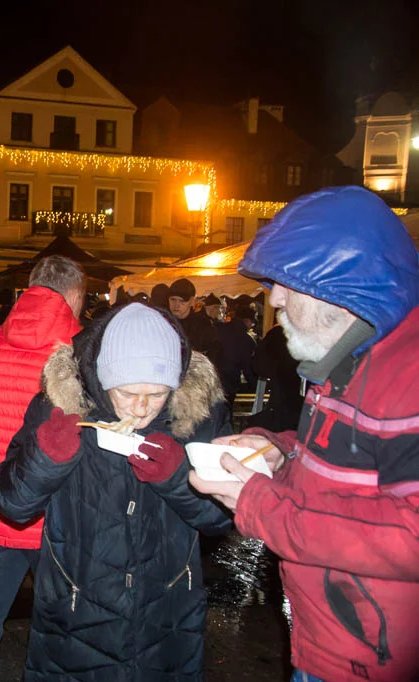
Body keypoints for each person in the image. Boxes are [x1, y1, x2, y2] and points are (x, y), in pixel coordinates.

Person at [189, 186, 419, 682]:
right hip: (323, 646)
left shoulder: (412, 373)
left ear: (343, 288)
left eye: (290, 285)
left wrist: (261, 505)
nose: (274, 298)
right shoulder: (342, 358)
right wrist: (278, 451)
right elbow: (353, 460)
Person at [0, 302, 232, 680]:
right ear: (103, 380)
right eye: (127, 392)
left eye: (156, 394)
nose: (140, 408)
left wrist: (178, 477)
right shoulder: (62, 407)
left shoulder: (196, 415)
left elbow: (221, 518)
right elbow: (11, 504)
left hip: (167, 617)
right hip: (76, 614)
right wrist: (46, 459)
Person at [0, 255, 85, 681]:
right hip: (57, 514)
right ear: (75, 295)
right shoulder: (81, 350)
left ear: (30, 288)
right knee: (60, 623)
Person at [168, 277, 222, 366]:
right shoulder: (163, 323)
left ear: (192, 301)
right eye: (173, 299)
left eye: (182, 301)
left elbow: (215, 353)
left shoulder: (203, 325)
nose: (176, 305)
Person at [215, 301, 257, 411]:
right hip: (229, 383)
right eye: (252, 323)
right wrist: (255, 386)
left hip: (211, 380)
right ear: (247, 321)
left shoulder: (219, 329)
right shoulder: (247, 340)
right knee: (225, 414)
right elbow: (248, 368)